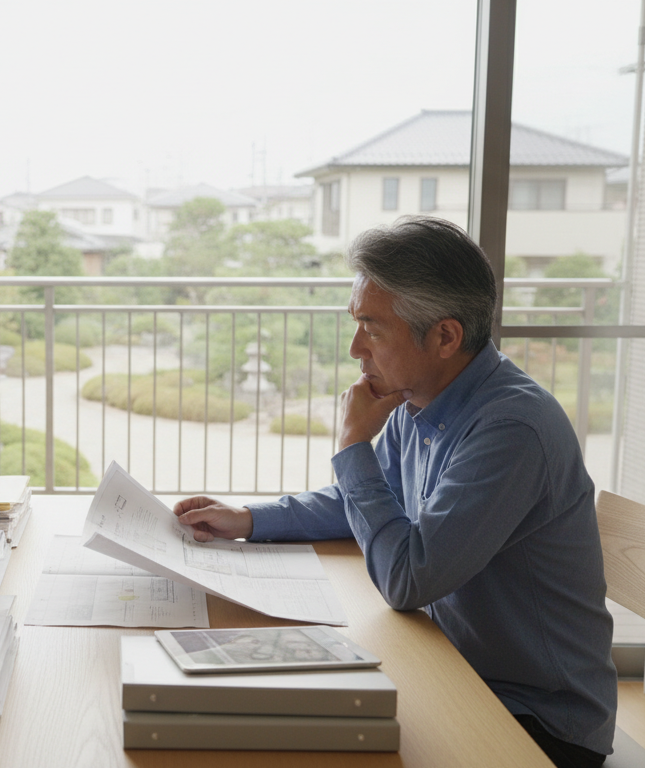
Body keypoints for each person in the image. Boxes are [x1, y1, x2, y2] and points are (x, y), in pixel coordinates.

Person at [173, 217, 617, 768]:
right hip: (450, 661)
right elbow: (369, 500)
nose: (356, 347)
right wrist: (247, 519)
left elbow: (407, 578)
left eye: (372, 328)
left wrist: (353, 441)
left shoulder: (512, 430)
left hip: (535, 719)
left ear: (445, 336)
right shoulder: (420, 395)